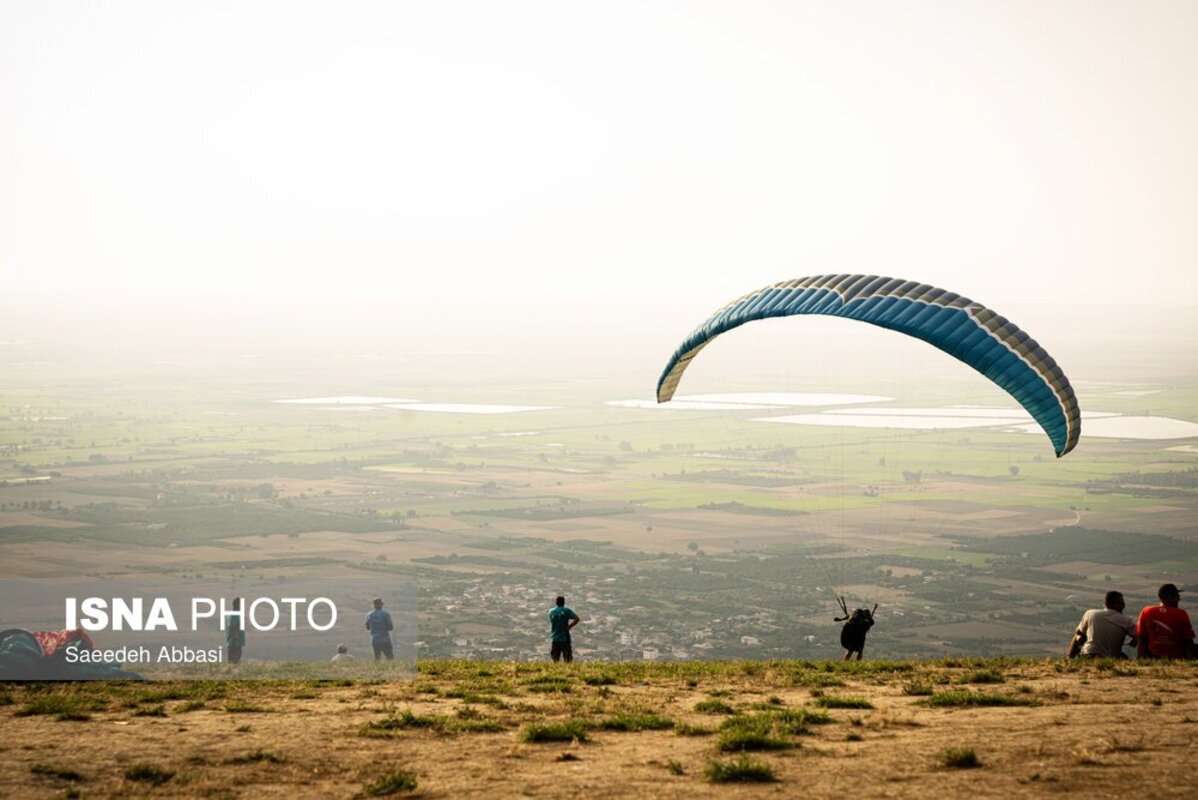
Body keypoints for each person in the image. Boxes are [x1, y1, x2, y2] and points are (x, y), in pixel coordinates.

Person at [1067, 590, 1136, 658]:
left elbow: (1078, 632)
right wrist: (1134, 640)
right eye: (1122, 604)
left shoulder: (1090, 613)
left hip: (1088, 655)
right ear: (1116, 604)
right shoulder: (1127, 620)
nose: (1123, 606)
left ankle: (1069, 659)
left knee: (1077, 636)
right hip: (1112, 657)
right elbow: (1140, 635)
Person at [1136, 583, 1195, 659]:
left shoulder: (1146, 611)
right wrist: (1189, 659)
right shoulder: (1181, 614)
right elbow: (1188, 640)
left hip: (1152, 655)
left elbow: (1141, 638)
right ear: (1170, 598)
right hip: (1175, 656)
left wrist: (1139, 658)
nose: (1179, 599)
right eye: (1177, 596)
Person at [548, 595, 580, 663]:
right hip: (565, 638)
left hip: (555, 637)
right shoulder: (566, 611)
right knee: (567, 658)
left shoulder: (551, 612)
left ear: (556, 602)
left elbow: (552, 621)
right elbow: (577, 618)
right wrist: (570, 626)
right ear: (563, 602)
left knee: (555, 658)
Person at [224, 598, 245, 664]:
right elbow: (232, 626)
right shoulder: (235, 615)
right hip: (235, 643)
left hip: (232, 642)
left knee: (232, 661)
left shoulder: (230, 615)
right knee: (235, 660)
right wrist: (236, 636)